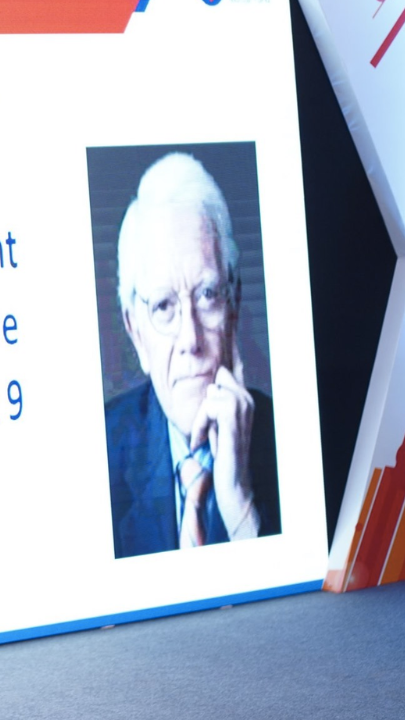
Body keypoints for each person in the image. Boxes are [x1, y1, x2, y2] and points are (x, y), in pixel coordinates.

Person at [105, 152, 280, 559]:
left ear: (234, 303)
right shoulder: (101, 454)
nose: (190, 338)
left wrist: (240, 504)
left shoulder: (290, 439)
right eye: (164, 306)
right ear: (135, 332)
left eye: (207, 294)